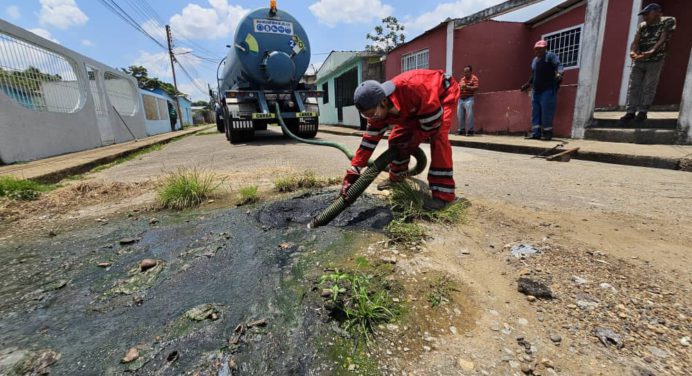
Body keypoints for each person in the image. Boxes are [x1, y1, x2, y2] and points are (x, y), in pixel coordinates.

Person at [340, 70, 460, 211]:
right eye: (367, 116)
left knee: (439, 138)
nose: (373, 118)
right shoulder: (377, 111)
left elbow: (432, 123)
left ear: (383, 101)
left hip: (442, 94)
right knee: (396, 139)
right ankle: (397, 179)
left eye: (373, 114)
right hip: (415, 107)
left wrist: (412, 142)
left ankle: (443, 195)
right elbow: (368, 142)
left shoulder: (413, 88)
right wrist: (353, 172)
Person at [620, 3, 676, 123]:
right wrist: (632, 51)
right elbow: (636, 40)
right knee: (633, 85)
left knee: (649, 86)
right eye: (643, 14)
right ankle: (630, 112)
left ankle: (642, 112)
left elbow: (664, 37)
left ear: (657, 12)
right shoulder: (642, 25)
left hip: (656, 60)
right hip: (640, 59)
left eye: (647, 14)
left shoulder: (668, 21)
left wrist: (652, 50)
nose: (644, 17)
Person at [521, 40, 564, 141]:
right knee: (535, 112)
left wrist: (559, 73)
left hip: (548, 90)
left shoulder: (550, 56)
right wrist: (527, 84)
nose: (538, 51)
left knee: (546, 112)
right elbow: (533, 75)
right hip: (536, 91)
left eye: (540, 49)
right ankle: (536, 133)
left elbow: (559, 65)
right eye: (536, 49)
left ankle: (547, 133)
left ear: (545, 48)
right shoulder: (534, 61)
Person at [457, 65, 479, 136]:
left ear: (470, 72)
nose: (465, 73)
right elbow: (459, 86)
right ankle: (461, 130)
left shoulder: (474, 78)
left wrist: (467, 87)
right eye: (464, 72)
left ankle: (470, 130)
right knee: (460, 114)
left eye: (467, 72)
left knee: (469, 115)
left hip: (469, 98)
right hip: (461, 99)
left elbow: (476, 88)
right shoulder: (462, 79)